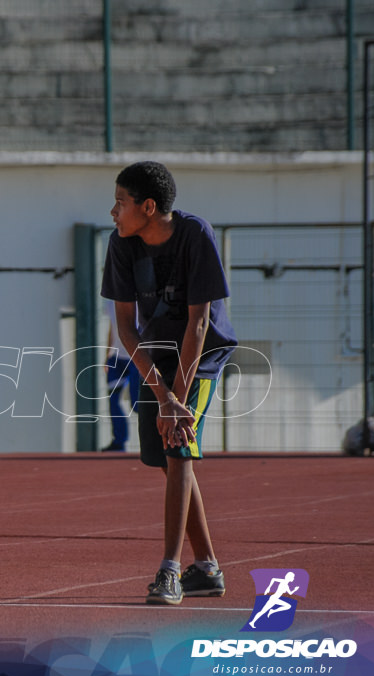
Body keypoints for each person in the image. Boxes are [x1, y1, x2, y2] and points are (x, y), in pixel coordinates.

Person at [100, 161, 237, 605]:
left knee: (178, 445)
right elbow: (125, 328)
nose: (113, 211)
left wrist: (176, 400)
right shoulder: (120, 245)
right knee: (167, 457)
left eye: (121, 202)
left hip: (200, 357)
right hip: (156, 354)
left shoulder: (195, 235)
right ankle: (208, 567)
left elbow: (199, 323)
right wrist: (162, 395)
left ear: (149, 206)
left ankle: (170, 571)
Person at [101, 298, 140, 452]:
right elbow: (112, 327)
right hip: (116, 359)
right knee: (113, 400)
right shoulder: (110, 301)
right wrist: (107, 354)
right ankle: (119, 442)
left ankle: (155, 441)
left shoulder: (139, 299)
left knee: (138, 404)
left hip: (136, 358)